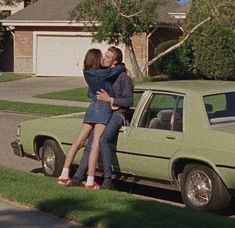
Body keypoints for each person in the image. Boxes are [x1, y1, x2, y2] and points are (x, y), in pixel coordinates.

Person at [58, 48, 126, 189]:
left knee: (78, 143)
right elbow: (115, 70)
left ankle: (64, 175)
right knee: (95, 144)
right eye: (102, 57)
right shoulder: (102, 73)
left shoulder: (87, 72)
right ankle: (90, 180)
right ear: (96, 59)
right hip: (103, 108)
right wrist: (122, 66)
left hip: (92, 107)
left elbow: (90, 92)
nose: (103, 58)